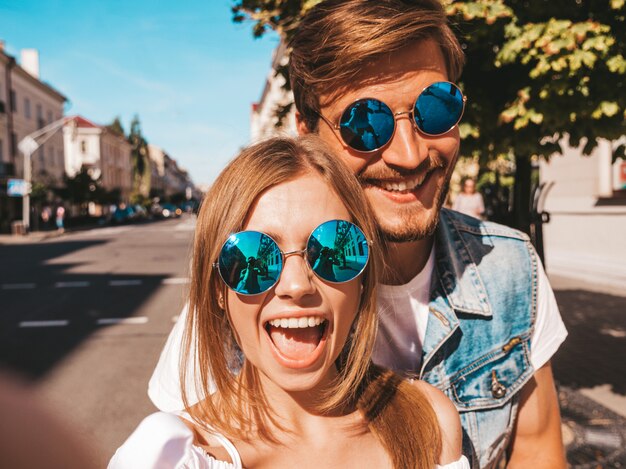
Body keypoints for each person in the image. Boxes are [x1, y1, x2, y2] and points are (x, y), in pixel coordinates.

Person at [150, 1, 568, 467]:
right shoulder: (245, 297)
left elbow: (537, 452)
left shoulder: (508, 268)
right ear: (305, 132)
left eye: (435, 108)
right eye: (364, 123)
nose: (409, 155)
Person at [110, 136, 469, 468]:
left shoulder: (428, 422)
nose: (296, 285)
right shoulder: (171, 457)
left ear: (363, 279)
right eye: (253, 256)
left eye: (333, 249)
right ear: (218, 288)